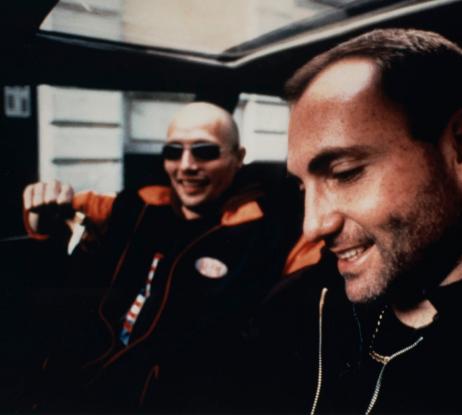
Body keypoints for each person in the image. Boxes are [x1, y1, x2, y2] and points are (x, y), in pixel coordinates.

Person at [245, 28, 462, 414]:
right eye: (303, 187)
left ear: (461, 147)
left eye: (345, 173)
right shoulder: (294, 307)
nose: (313, 226)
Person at [20, 101, 319, 412]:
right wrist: (42, 210)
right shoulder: (142, 204)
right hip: (89, 380)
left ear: (238, 157)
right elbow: (65, 211)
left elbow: (314, 270)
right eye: (173, 152)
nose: (186, 165)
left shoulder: (269, 231)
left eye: (205, 151)